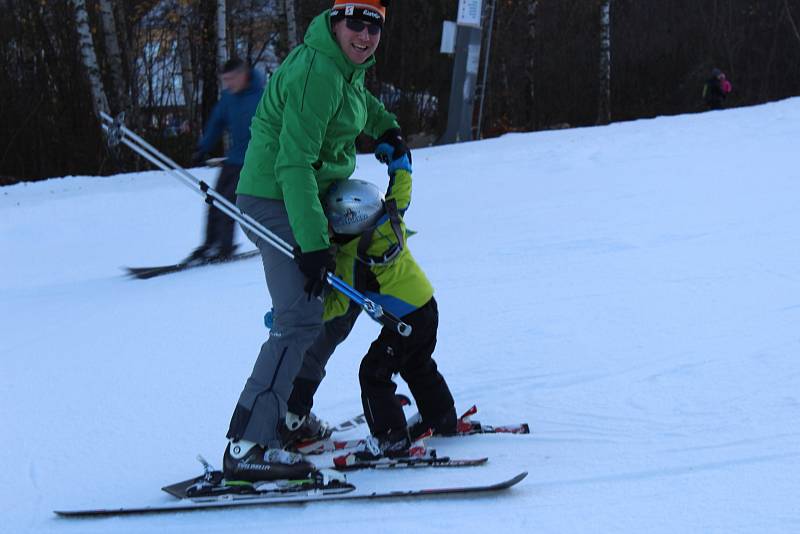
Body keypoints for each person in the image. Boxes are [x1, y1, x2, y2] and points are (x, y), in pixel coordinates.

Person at [222, 0, 411, 482]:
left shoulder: (347, 69)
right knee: (298, 317)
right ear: (335, 22)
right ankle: (248, 445)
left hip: (307, 199)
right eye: (356, 25)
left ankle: (290, 415)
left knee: (340, 303)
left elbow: (359, 104)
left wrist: (385, 127)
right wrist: (311, 244)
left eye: (374, 28)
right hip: (275, 199)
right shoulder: (318, 71)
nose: (365, 36)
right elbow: (292, 164)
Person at [320, 169, 457, 463]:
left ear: (348, 220)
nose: (328, 228)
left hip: (404, 324)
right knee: (417, 364)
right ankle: (441, 416)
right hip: (427, 308)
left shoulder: (351, 257)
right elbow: (402, 189)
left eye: (330, 220)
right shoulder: (390, 219)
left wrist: (304, 314)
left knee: (373, 373)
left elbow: (340, 305)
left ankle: (390, 439)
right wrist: (400, 164)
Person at [184, 58, 264, 265]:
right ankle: (209, 244)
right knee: (213, 199)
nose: (228, 84)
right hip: (234, 158)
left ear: (243, 75)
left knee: (228, 202)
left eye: (231, 79)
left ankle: (225, 246)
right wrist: (203, 148)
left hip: (255, 161)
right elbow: (216, 123)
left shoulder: (263, 96)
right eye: (224, 80)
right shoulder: (229, 98)